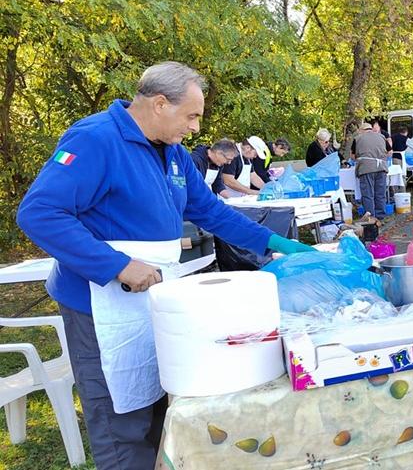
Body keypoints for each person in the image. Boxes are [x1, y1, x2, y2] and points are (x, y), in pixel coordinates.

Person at [15, 62, 314, 469]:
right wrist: (116, 265)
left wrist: (275, 242)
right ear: (159, 103)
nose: (194, 128)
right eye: (191, 115)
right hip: (99, 305)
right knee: (119, 420)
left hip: (153, 296)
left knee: (160, 403)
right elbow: (39, 213)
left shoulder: (172, 153)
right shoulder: (95, 140)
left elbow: (210, 210)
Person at [354, 122, 389, 219]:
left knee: (368, 194)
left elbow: (353, 156)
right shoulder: (381, 137)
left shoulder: (358, 139)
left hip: (366, 169)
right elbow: (389, 151)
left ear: (362, 130)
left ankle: (370, 216)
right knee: (380, 193)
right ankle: (380, 216)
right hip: (381, 167)